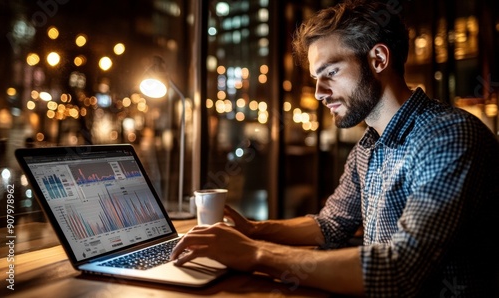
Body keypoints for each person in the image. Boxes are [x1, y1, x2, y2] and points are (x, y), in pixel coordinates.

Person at [171, 0, 499, 296]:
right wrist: (254, 229)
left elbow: (401, 269)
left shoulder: (447, 136)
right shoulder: (369, 146)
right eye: (316, 77)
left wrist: (255, 252)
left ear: (379, 59)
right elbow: (330, 225)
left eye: (330, 73)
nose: (318, 92)